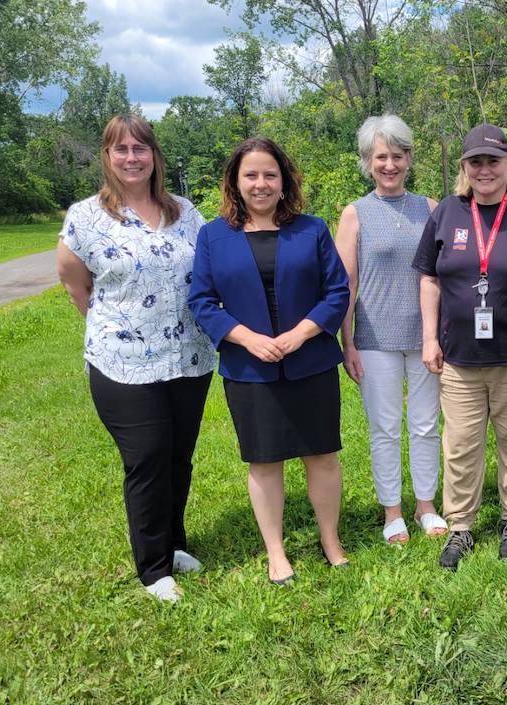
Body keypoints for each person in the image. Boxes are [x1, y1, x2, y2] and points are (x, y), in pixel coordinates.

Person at [56, 115, 216, 603]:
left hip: (188, 358)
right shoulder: (85, 217)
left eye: (140, 149)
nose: (132, 157)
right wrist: (119, 326)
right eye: (121, 149)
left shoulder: (185, 211)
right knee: (147, 458)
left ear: (155, 157)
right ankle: (152, 568)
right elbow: (73, 281)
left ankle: (172, 544)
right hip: (122, 362)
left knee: (178, 458)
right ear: (107, 157)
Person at [188, 137, 350, 585]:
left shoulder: (312, 229)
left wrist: (301, 334)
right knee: (264, 462)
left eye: (270, 175)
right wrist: (246, 339)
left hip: (310, 360)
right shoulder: (212, 236)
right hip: (250, 368)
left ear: (284, 181)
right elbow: (201, 300)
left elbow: (337, 291)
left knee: (322, 456)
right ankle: (276, 552)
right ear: (235, 183)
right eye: (251, 175)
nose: (261, 184)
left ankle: (330, 540)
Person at [412, 123, 507, 571]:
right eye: (475, 161)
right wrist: (429, 337)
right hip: (459, 358)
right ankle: (461, 526)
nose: (485, 169)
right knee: (460, 445)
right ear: (464, 167)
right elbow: (429, 278)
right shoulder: (447, 214)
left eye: (493, 161)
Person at [335, 115, 446, 546]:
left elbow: (440, 275)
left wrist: (439, 335)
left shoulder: (430, 208)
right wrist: (348, 342)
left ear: (409, 159)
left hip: (426, 337)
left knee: (424, 425)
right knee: (384, 427)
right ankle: (392, 512)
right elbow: (346, 283)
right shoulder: (355, 213)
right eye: (381, 156)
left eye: (398, 156)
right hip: (374, 340)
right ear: (368, 161)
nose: (390, 164)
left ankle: (426, 506)